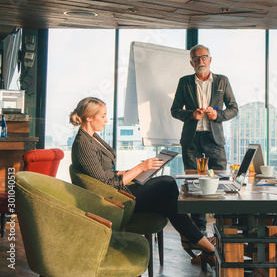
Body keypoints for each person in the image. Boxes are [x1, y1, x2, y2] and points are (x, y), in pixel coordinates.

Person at [70, 97, 216, 266]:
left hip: (118, 190)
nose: (106, 120)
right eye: (103, 116)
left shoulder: (92, 138)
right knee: (167, 182)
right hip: (114, 200)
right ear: (89, 117)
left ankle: (200, 244)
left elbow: (106, 173)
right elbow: (107, 185)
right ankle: (198, 244)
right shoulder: (83, 144)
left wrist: (139, 169)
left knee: (169, 203)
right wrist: (139, 168)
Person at [171, 44, 238, 234]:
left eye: (204, 57)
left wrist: (218, 115)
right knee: (194, 185)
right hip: (191, 141)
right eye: (196, 58)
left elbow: (233, 108)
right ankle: (198, 232)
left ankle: (224, 230)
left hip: (214, 139)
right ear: (191, 63)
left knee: (222, 182)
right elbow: (175, 110)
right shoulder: (184, 82)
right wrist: (191, 115)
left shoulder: (222, 81)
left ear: (210, 59)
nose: (200, 61)